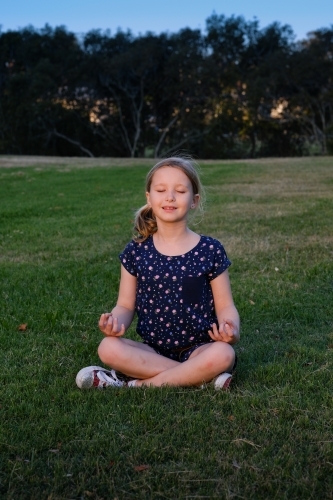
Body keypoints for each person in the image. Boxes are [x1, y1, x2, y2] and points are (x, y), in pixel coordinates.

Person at [76, 157, 240, 390]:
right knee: (107, 347)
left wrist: (231, 330)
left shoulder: (209, 249)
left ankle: (135, 385)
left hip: (201, 348)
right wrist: (115, 323)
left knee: (224, 354)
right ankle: (197, 378)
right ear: (149, 198)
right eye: (161, 190)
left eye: (180, 191)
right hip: (152, 349)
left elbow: (225, 307)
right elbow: (125, 306)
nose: (170, 197)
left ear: (194, 201)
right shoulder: (136, 251)